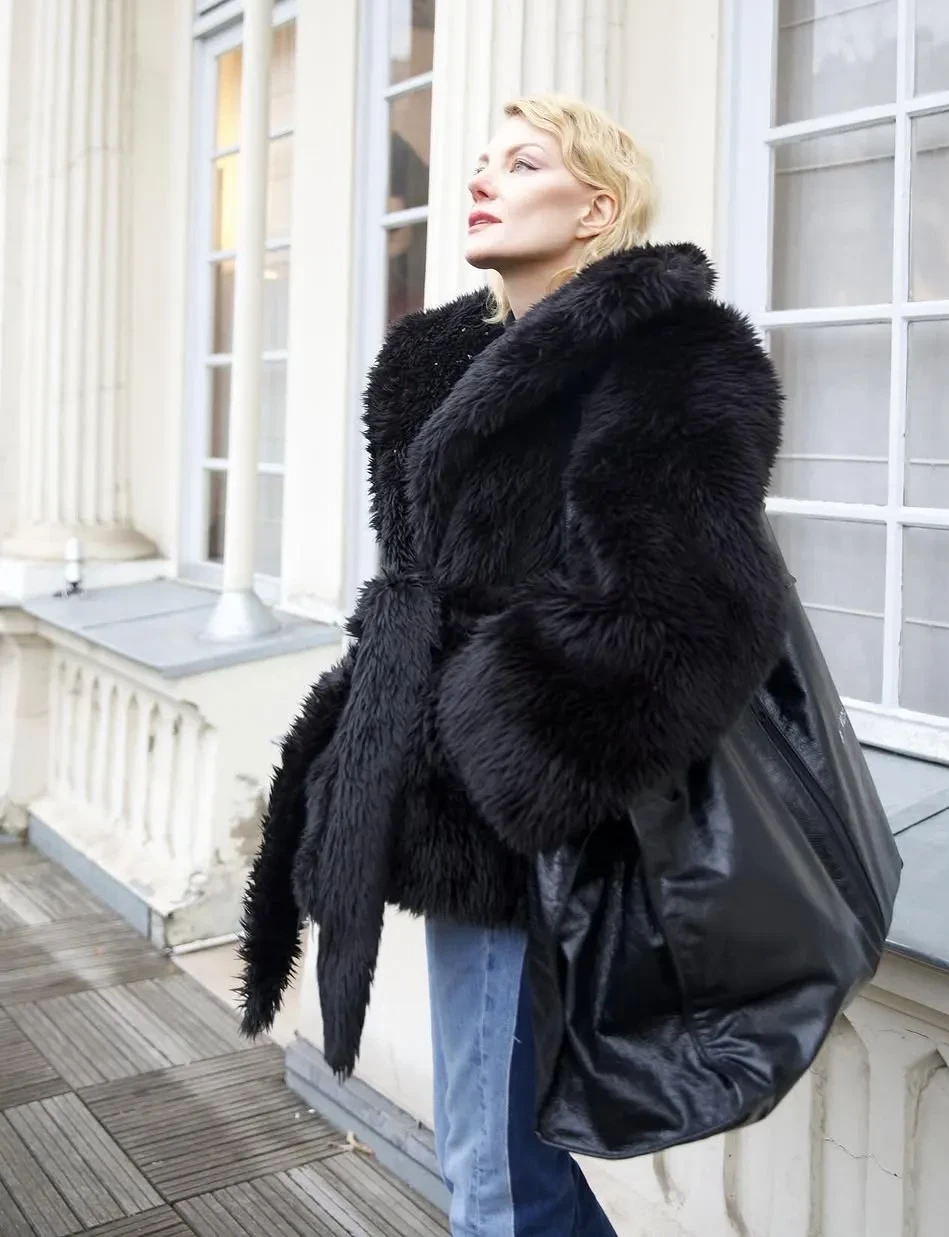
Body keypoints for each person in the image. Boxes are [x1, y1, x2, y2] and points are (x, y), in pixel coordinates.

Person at [238, 94, 787, 1237]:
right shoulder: (432, 363)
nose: (480, 179)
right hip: (469, 802)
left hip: (559, 820)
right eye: (481, 162)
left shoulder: (670, 355)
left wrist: (500, 749)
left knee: (494, 1167)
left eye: (522, 163)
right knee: (501, 1155)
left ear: (597, 208)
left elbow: (696, 607)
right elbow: (419, 583)